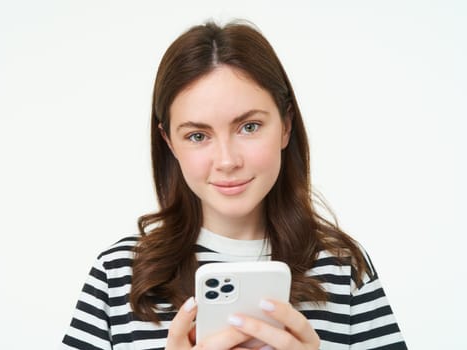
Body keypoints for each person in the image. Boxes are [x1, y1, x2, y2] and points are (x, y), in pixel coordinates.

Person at [61, 21, 407, 350]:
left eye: (250, 127)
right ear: (169, 142)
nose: (227, 161)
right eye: (197, 135)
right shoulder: (118, 274)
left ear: (286, 125)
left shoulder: (343, 269)